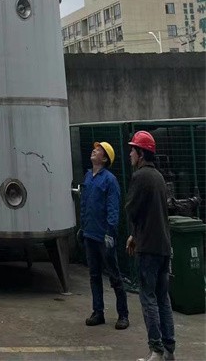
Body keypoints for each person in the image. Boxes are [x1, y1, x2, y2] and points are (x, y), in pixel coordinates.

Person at [126, 130, 175, 361]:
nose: (130, 154)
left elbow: (133, 210)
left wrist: (135, 235)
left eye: (133, 150)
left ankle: (155, 350)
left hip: (148, 249)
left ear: (142, 153)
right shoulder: (158, 177)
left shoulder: (141, 177)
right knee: (163, 299)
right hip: (163, 246)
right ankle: (169, 350)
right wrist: (134, 235)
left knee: (149, 299)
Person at [78, 141, 129, 329]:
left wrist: (110, 233)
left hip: (103, 236)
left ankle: (123, 315)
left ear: (105, 159)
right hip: (90, 234)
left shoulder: (109, 180)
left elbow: (113, 208)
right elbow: (84, 204)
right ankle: (98, 312)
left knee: (114, 276)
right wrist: (83, 228)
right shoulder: (88, 177)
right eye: (95, 148)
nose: (94, 150)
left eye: (98, 150)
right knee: (94, 275)